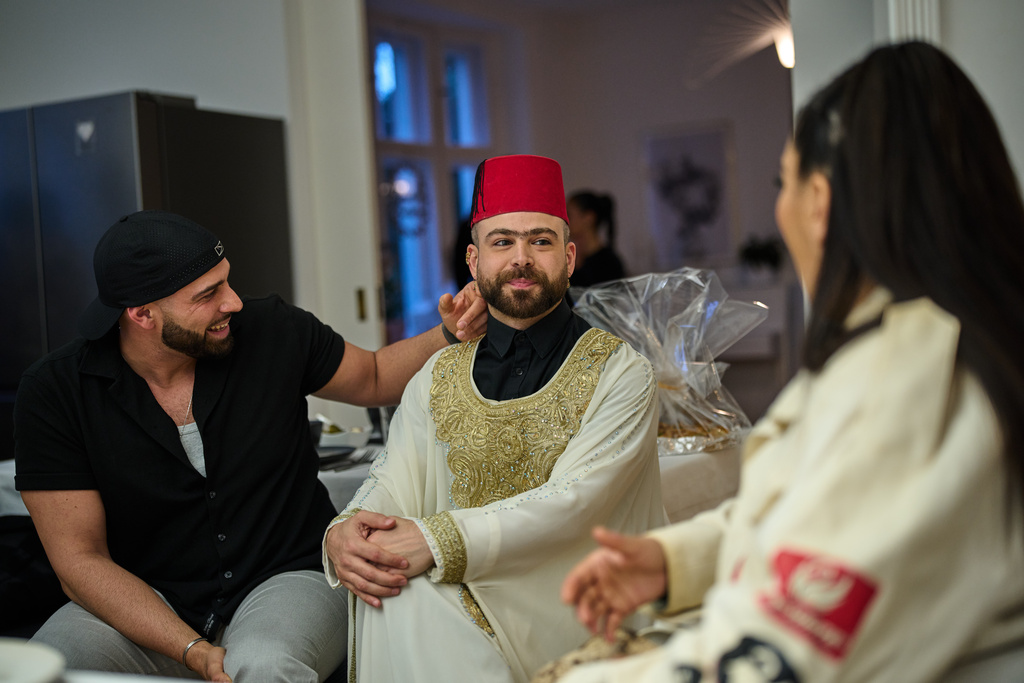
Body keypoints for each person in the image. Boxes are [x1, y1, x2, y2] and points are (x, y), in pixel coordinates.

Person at [556, 41, 1024, 682]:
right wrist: (679, 561)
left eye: (784, 180)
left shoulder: (908, 380)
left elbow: (777, 658)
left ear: (820, 203)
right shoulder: (920, 345)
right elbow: (832, 516)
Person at [13, 210, 486, 682]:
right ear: (142, 314)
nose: (234, 302)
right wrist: (191, 649)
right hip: (143, 597)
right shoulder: (56, 391)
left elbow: (376, 375)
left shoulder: (273, 330)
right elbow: (80, 561)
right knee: (43, 667)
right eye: (208, 294)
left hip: (288, 576)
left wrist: (452, 332)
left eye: (227, 282)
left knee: (264, 666)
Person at [322, 154, 667, 683]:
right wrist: (346, 534)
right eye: (502, 241)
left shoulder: (621, 374)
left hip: (572, 607)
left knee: (406, 595)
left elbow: (573, 502)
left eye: (541, 241)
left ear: (570, 257)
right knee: (393, 588)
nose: (521, 258)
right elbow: (392, 479)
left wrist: (433, 542)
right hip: (453, 596)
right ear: (474, 259)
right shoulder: (438, 376)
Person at [566, 190, 626, 288]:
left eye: (569, 215)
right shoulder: (574, 259)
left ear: (589, 218)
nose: (565, 221)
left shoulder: (609, 264)